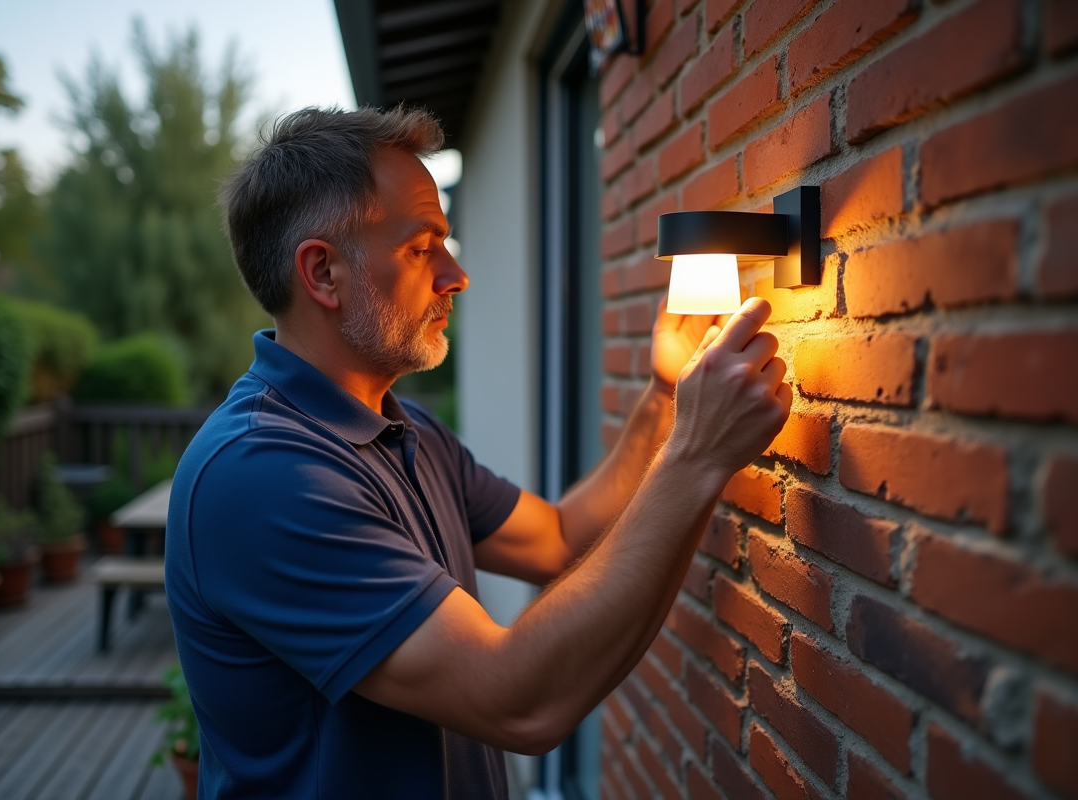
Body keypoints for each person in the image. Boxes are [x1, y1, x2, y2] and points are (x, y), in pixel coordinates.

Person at [165, 106, 790, 799]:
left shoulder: (408, 431)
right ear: (323, 274)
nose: (455, 275)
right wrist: (698, 457)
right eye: (421, 247)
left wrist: (663, 402)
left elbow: (557, 539)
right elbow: (516, 700)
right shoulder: (261, 475)